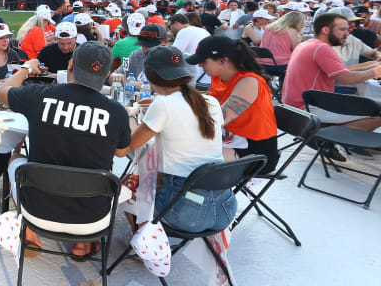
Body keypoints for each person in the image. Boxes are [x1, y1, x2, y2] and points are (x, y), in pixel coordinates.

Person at [0, 42, 129, 258]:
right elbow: (123, 153)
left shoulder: (39, 95)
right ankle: (84, 245)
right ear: (107, 73)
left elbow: (2, 91)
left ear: (71, 65)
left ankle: (29, 231)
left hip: (37, 211)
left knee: (16, 159)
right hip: (92, 219)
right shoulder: (116, 111)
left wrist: (26, 68)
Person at [126, 46, 236, 232]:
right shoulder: (210, 102)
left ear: (150, 76)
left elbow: (133, 143)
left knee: (129, 186)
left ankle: (146, 244)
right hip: (225, 207)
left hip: (188, 213)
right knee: (159, 178)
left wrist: (130, 114)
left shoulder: (163, 105)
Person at [187, 36, 281, 173]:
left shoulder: (249, 82)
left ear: (223, 61)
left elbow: (219, 118)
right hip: (231, 140)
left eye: (203, 61)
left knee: (187, 161)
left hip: (256, 153)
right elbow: (209, 105)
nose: (199, 65)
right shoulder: (219, 77)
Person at [281, 12, 381, 140]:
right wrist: (375, 72)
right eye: (342, 29)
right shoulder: (322, 48)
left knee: (364, 99)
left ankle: (325, 134)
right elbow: (346, 79)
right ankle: (324, 137)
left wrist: (371, 67)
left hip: (296, 104)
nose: (347, 33)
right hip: (309, 107)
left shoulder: (309, 44)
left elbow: (342, 72)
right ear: (325, 30)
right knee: (377, 111)